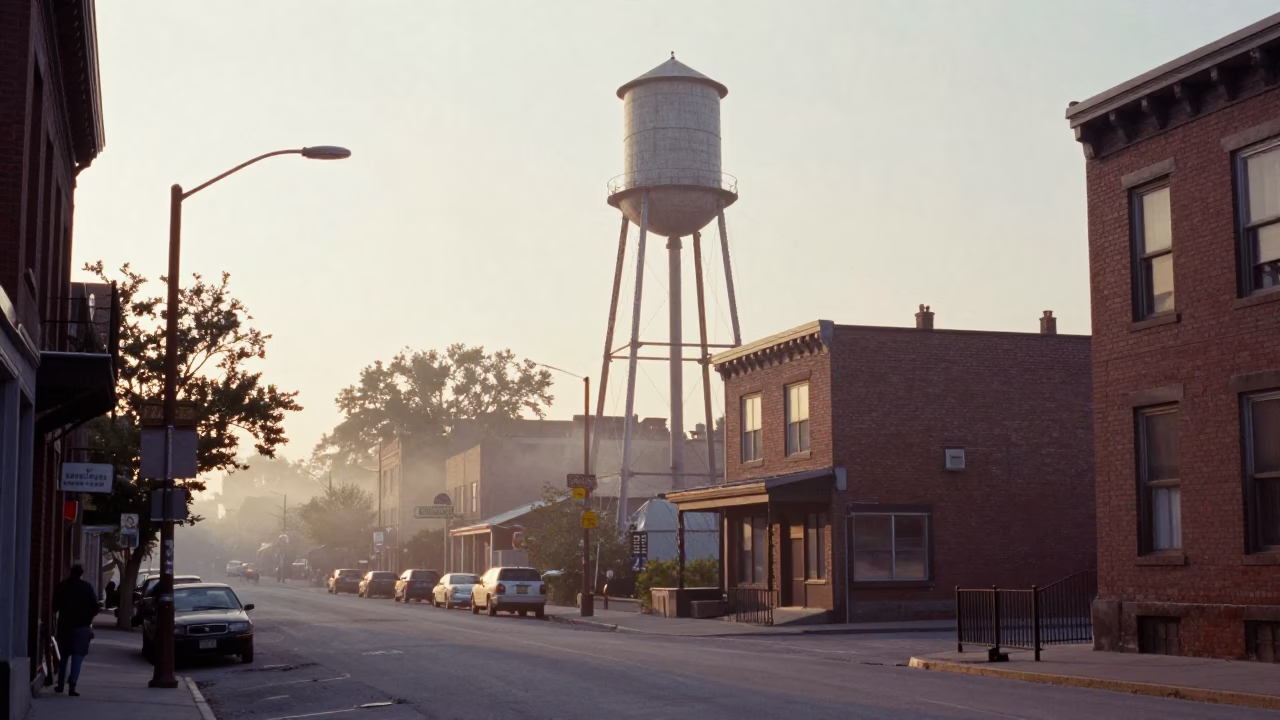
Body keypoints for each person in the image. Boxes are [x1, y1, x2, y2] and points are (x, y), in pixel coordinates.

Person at [51, 565, 98, 696]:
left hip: (65, 627)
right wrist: (88, 618)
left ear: (70, 572)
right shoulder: (87, 587)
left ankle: (60, 684)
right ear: (81, 574)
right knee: (77, 658)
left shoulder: (62, 586)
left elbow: (54, 607)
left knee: (63, 658)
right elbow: (95, 607)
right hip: (82, 627)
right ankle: (72, 686)